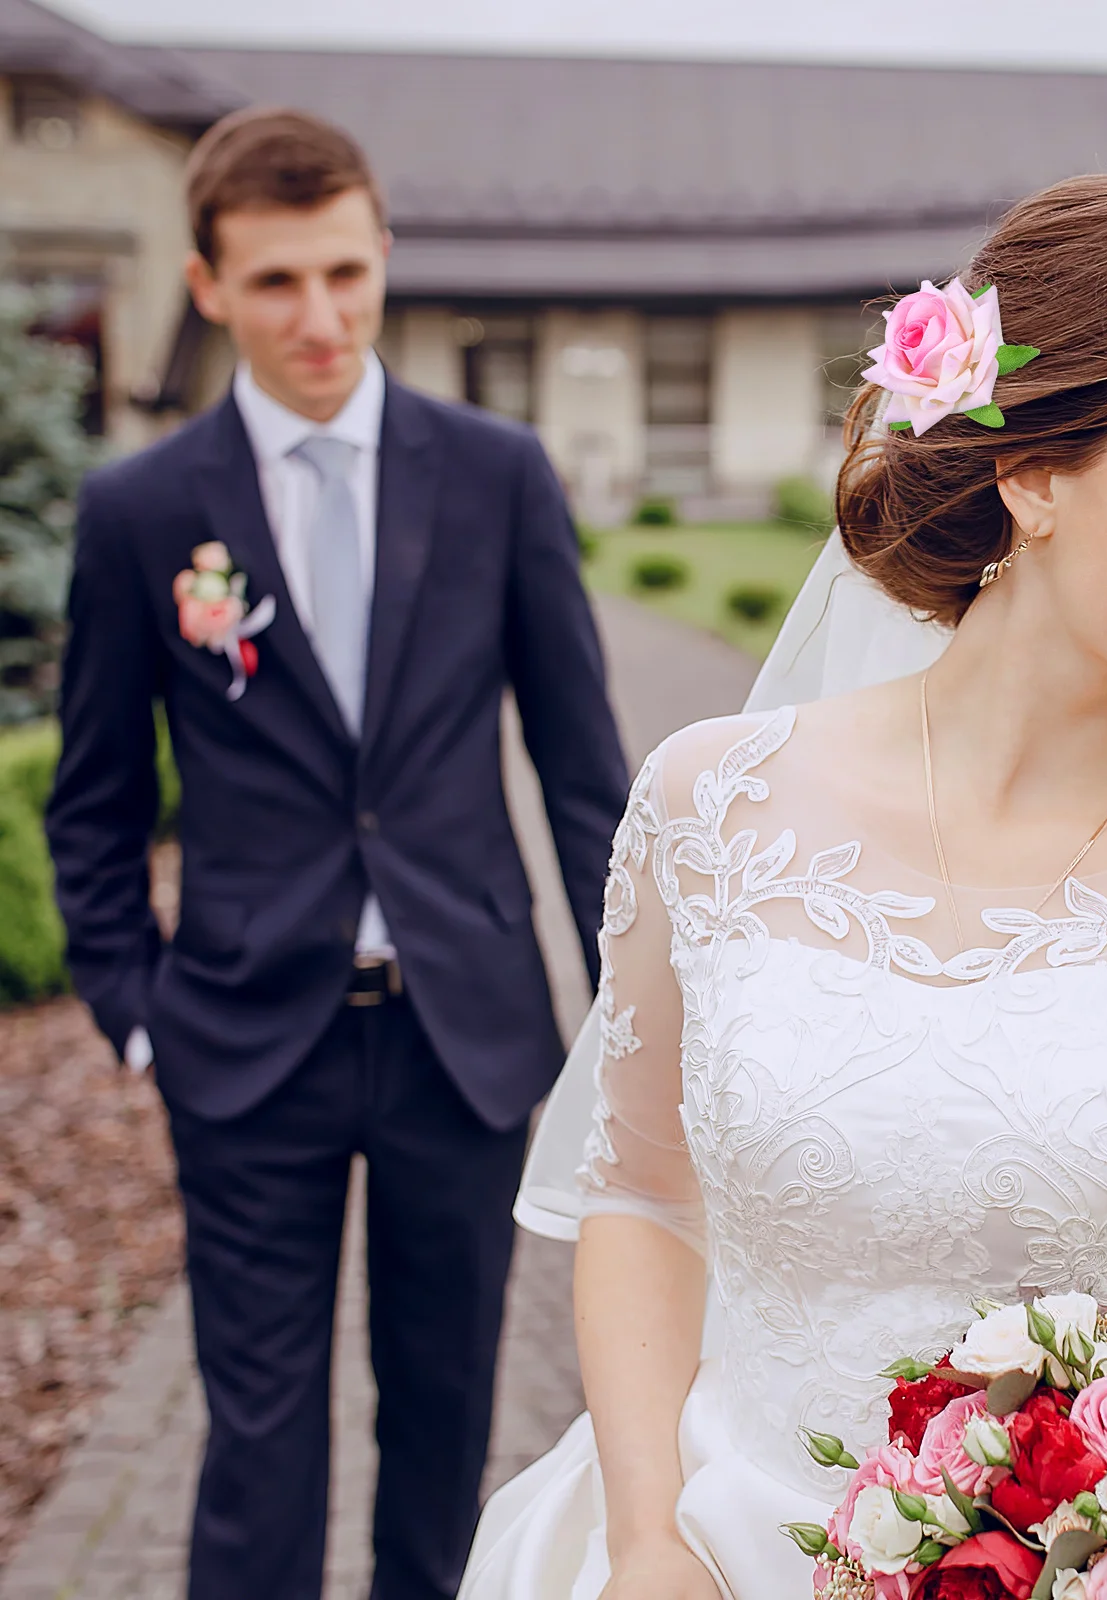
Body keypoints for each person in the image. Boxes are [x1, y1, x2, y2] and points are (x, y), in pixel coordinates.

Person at [457, 172, 1107, 1600]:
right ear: (1032, 470)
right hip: (715, 1549)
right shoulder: (708, 809)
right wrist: (653, 1539)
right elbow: (645, 1200)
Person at [45, 107, 630, 1600]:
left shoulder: (496, 475)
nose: (322, 317)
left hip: (466, 1034)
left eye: (347, 274)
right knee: (260, 1437)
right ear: (209, 286)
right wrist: (130, 1005)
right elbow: (97, 795)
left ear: (382, 258)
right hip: (243, 1038)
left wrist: (637, 1001)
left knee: (443, 1431)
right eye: (280, 283)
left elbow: (580, 771)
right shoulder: (143, 511)